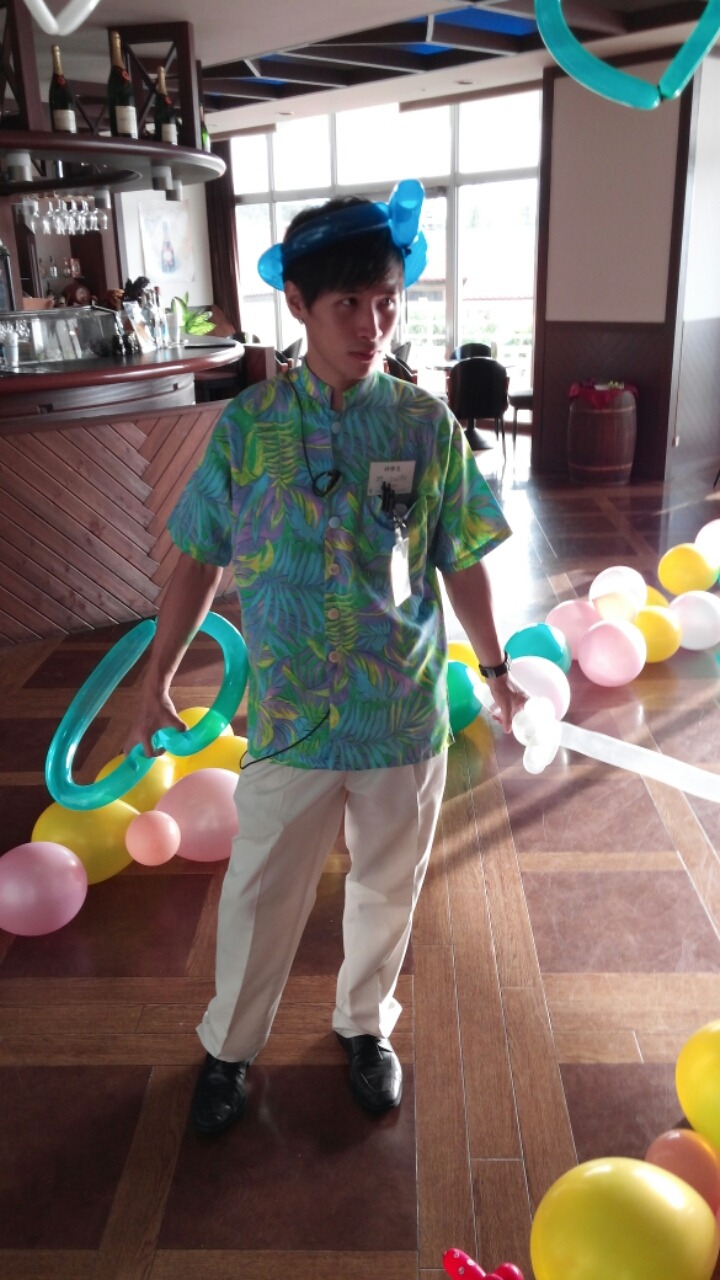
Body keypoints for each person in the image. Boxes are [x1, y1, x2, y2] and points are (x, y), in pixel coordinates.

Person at [127, 179, 527, 1137]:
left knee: (388, 886)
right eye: (348, 302)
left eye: (386, 300)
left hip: (400, 713)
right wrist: (156, 678)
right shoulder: (249, 427)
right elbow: (198, 557)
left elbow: (460, 558)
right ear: (299, 303)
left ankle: (364, 1024)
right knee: (260, 893)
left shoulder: (424, 426)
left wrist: (496, 668)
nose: (372, 324)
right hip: (291, 716)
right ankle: (229, 1046)